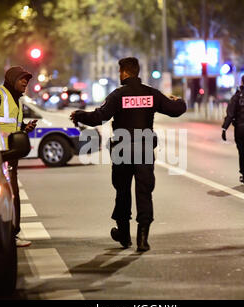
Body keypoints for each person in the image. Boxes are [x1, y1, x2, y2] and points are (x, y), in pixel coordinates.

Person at [70, 57, 187, 252]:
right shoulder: (151, 94)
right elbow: (176, 110)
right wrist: (179, 100)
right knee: (144, 193)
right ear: (137, 72)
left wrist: (80, 115)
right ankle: (143, 238)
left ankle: (124, 235)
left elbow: (100, 117)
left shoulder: (118, 95)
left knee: (122, 192)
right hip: (144, 149)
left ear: (124, 72)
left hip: (122, 149)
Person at [0, 66, 37, 247]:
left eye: (27, 79)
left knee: (13, 195)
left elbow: (13, 127)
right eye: (22, 79)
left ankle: (13, 233)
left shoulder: (18, 100)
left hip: (11, 156)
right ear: (11, 79)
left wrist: (25, 129)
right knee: (2, 196)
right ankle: (6, 234)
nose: (26, 82)